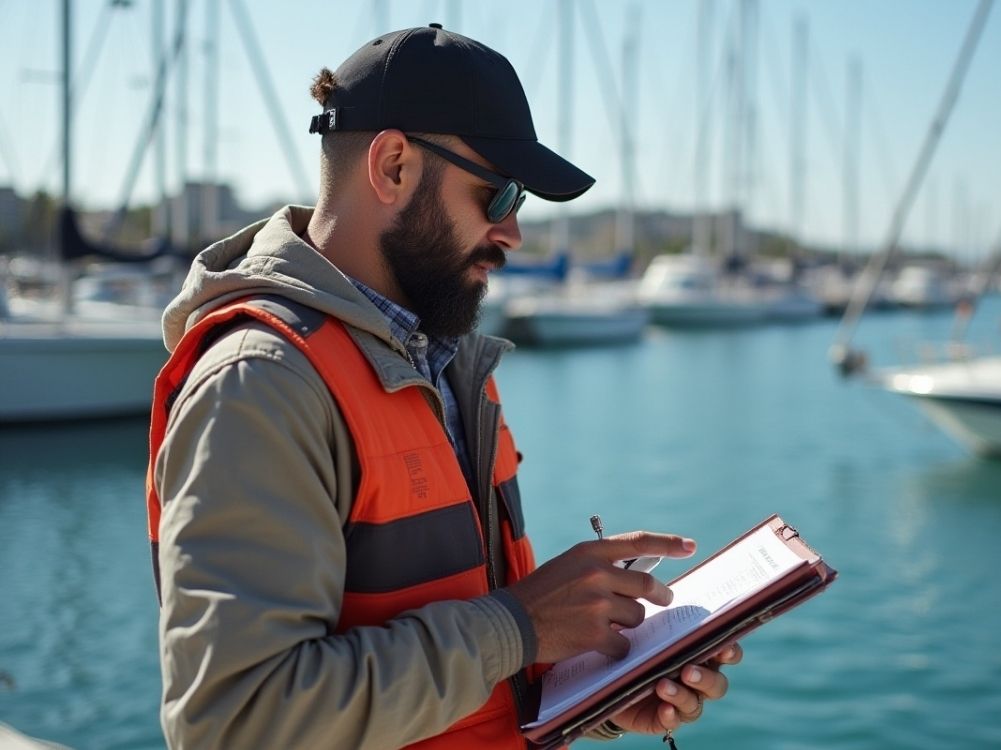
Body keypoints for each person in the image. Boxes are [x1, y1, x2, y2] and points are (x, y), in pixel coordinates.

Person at [146, 23, 741, 749]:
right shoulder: (261, 382)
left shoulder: (449, 364)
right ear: (393, 165)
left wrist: (591, 685)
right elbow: (234, 724)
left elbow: (477, 657)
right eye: (497, 195)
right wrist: (520, 626)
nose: (514, 232)